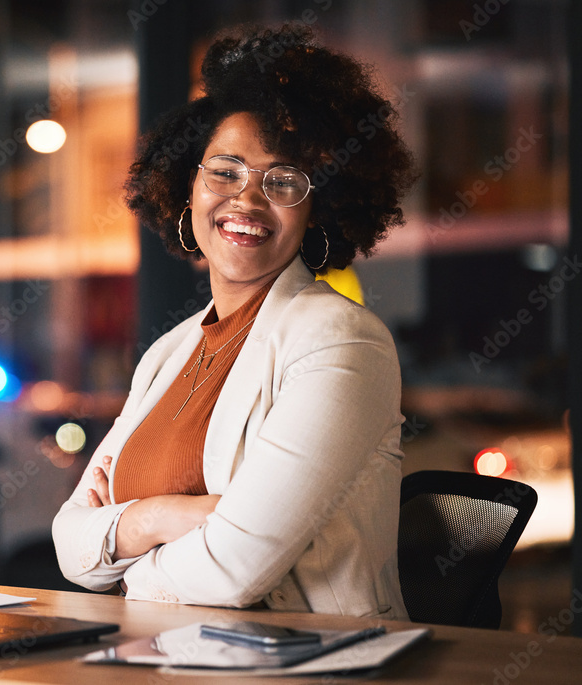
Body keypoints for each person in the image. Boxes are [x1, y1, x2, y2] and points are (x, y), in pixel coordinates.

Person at [52, 23, 417, 618]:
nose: (246, 200)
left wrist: (122, 550)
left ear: (315, 208)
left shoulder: (342, 341)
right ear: (187, 185)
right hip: (159, 656)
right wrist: (162, 516)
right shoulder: (168, 353)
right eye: (224, 172)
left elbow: (233, 571)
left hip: (297, 664)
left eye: (281, 181)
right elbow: (70, 545)